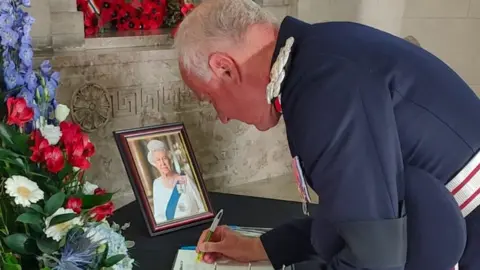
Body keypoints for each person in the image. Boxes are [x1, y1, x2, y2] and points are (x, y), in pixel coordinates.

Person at [174, 0, 480, 269]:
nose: (223, 118)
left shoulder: (324, 86)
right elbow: (354, 214)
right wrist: (262, 247)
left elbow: (374, 260)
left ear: (225, 68)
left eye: (210, 99)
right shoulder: (320, 54)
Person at [146, 139, 206, 223]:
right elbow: (158, 216)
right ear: (155, 164)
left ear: (170, 160)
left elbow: (202, 207)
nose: (162, 163)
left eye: (165, 158)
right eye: (158, 160)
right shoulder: (157, 184)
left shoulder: (185, 178)